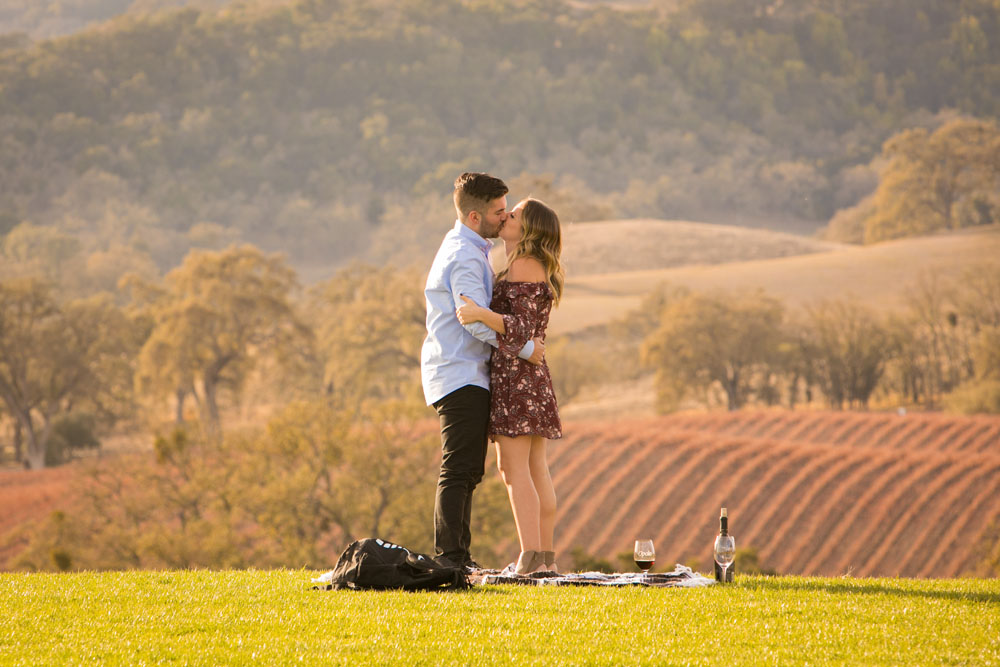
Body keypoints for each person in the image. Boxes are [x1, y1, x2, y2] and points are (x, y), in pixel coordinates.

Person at [421, 172, 545, 571]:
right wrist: (526, 349)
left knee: (468, 470)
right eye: (498, 212)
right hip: (461, 374)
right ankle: (451, 558)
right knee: (459, 469)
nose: (504, 216)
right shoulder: (464, 255)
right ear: (475, 217)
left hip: (465, 372)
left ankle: (460, 557)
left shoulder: (468, 247)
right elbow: (472, 321)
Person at [456, 197, 564, 575]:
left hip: (516, 378)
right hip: (531, 377)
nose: (507, 216)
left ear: (528, 230)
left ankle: (529, 557)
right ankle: (545, 558)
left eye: (514, 215)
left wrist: (480, 313)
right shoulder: (533, 265)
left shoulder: (522, 265)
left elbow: (518, 327)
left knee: (513, 470)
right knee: (536, 469)